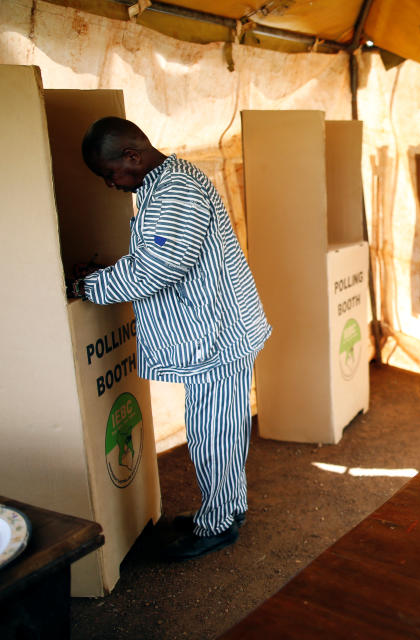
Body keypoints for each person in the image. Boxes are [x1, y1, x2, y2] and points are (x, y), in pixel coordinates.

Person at [68, 117, 272, 559]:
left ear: (131, 156)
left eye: (110, 174)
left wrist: (88, 287)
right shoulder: (167, 183)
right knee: (221, 431)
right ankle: (225, 509)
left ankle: (218, 525)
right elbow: (158, 256)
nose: (111, 185)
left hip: (216, 337)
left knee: (212, 434)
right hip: (218, 330)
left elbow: (155, 268)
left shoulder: (175, 192)